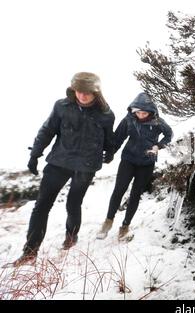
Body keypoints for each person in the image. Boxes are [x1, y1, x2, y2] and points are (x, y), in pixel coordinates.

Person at [6, 72, 115, 267]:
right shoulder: (62, 106)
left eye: (87, 93)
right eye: (79, 91)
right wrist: (35, 154)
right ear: (74, 90)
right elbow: (47, 130)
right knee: (41, 206)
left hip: (86, 166)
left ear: (96, 93)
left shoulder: (106, 115)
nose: (82, 96)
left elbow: (109, 140)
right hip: (59, 162)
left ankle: (71, 237)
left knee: (73, 204)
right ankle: (30, 252)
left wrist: (110, 152)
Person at [96, 92, 173, 240]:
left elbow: (169, 134)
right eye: (138, 112)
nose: (141, 115)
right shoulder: (129, 120)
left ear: (151, 111)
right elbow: (118, 139)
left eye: (144, 112)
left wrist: (158, 146)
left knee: (135, 194)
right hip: (128, 160)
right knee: (119, 189)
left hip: (147, 162)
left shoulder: (158, 122)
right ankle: (108, 222)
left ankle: (125, 226)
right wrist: (110, 154)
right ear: (133, 110)